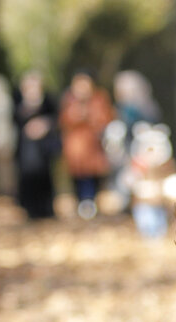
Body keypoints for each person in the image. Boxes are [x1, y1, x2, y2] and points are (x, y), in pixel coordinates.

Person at [59, 71, 113, 219]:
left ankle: (91, 202)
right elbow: (64, 120)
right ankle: (82, 202)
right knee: (78, 176)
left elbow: (105, 118)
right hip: (75, 148)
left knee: (94, 176)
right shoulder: (69, 100)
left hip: (94, 146)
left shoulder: (99, 99)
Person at [12, 71, 59, 220]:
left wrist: (44, 125)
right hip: (26, 150)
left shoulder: (48, 102)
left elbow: (57, 119)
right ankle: (30, 210)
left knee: (44, 178)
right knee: (28, 179)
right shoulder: (18, 103)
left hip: (43, 150)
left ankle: (46, 208)